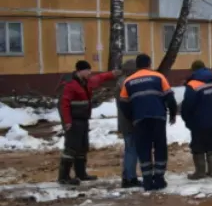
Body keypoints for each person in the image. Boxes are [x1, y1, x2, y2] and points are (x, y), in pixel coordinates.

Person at [118, 54, 178, 191]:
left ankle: (147, 181)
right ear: (149, 64)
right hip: (158, 118)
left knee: (143, 148)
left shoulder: (128, 81)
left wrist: (132, 117)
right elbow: (170, 98)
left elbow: (123, 104)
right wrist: (173, 114)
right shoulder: (159, 77)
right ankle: (159, 179)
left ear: (137, 66)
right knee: (160, 147)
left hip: (140, 120)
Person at [57, 60, 120, 185]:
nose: (90, 73)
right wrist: (67, 122)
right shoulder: (70, 85)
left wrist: (112, 74)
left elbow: (100, 78)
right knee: (71, 148)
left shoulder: (87, 82)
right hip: (74, 121)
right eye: (88, 70)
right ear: (80, 71)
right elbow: (64, 104)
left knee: (82, 147)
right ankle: (63, 176)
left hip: (83, 119)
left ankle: (81, 174)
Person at [181, 60, 212, 179]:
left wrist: (187, 119)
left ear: (193, 70)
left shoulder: (193, 84)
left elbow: (188, 104)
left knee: (198, 146)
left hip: (198, 122)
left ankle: (200, 172)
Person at [115, 58, 141, 188]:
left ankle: (128, 176)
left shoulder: (122, 81)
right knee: (132, 150)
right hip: (129, 121)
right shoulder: (125, 83)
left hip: (125, 120)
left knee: (130, 149)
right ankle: (129, 178)